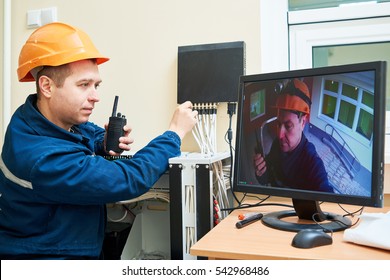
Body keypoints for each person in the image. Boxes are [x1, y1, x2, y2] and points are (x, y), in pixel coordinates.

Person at [0, 22, 198, 259]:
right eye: (84, 85)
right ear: (47, 86)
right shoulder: (43, 158)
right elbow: (129, 179)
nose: (95, 97)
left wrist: (102, 143)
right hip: (48, 259)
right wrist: (173, 134)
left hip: (64, 243)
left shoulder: (31, 119)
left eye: (96, 85)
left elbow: (83, 130)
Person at [253, 79, 333, 193]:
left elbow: (326, 196)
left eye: (288, 126)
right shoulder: (277, 144)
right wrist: (261, 173)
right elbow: (268, 178)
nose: (280, 135)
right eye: (278, 124)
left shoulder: (311, 163)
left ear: (303, 123)